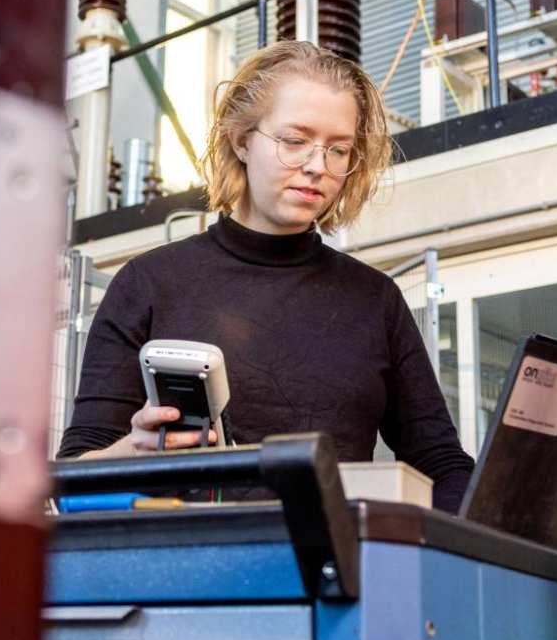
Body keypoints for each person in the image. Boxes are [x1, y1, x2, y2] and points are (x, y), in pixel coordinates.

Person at [56, 41, 476, 511]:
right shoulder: (149, 284)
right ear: (241, 139)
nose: (317, 166)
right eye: (295, 141)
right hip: (188, 568)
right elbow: (74, 474)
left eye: (339, 150)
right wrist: (130, 452)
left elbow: (441, 464)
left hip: (333, 571)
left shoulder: (376, 301)